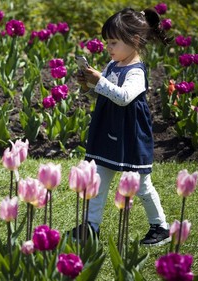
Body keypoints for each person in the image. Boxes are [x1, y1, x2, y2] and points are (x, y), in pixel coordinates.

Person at [76, 7, 172, 246]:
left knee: (140, 184)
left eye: (113, 42)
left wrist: (99, 81)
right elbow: (103, 95)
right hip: (107, 129)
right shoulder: (112, 65)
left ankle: (160, 226)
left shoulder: (136, 72)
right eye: (107, 42)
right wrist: (88, 85)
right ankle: (91, 226)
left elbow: (123, 97)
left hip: (130, 134)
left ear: (135, 40)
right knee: (98, 177)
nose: (108, 48)